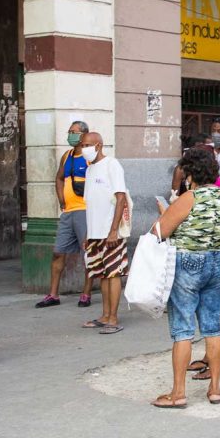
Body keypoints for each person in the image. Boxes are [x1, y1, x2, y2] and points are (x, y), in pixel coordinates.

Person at [151, 148, 220, 408]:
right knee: (213, 326)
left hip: (189, 262)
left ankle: (178, 393)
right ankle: (214, 389)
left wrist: (163, 212)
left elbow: (161, 231)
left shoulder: (189, 197)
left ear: (190, 173)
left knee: (183, 329)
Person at [35, 121, 94, 308]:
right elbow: (59, 177)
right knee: (58, 252)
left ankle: (86, 294)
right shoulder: (67, 156)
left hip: (85, 211)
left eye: (74, 132)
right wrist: (61, 199)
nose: (71, 135)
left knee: (88, 254)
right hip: (68, 211)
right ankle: (53, 294)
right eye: (69, 131)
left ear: (84, 134)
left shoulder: (89, 157)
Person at [79, 132, 129, 333]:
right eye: (83, 145)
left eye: (87, 145)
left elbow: (121, 198)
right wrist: (88, 234)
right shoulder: (90, 170)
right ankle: (105, 315)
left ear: (98, 145)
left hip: (110, 232)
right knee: (102, 274)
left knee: (113, 273)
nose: (84, 148)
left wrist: (113, 230)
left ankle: (113, 318)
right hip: (94, 232)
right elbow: (91, 204)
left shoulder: (112, 165)